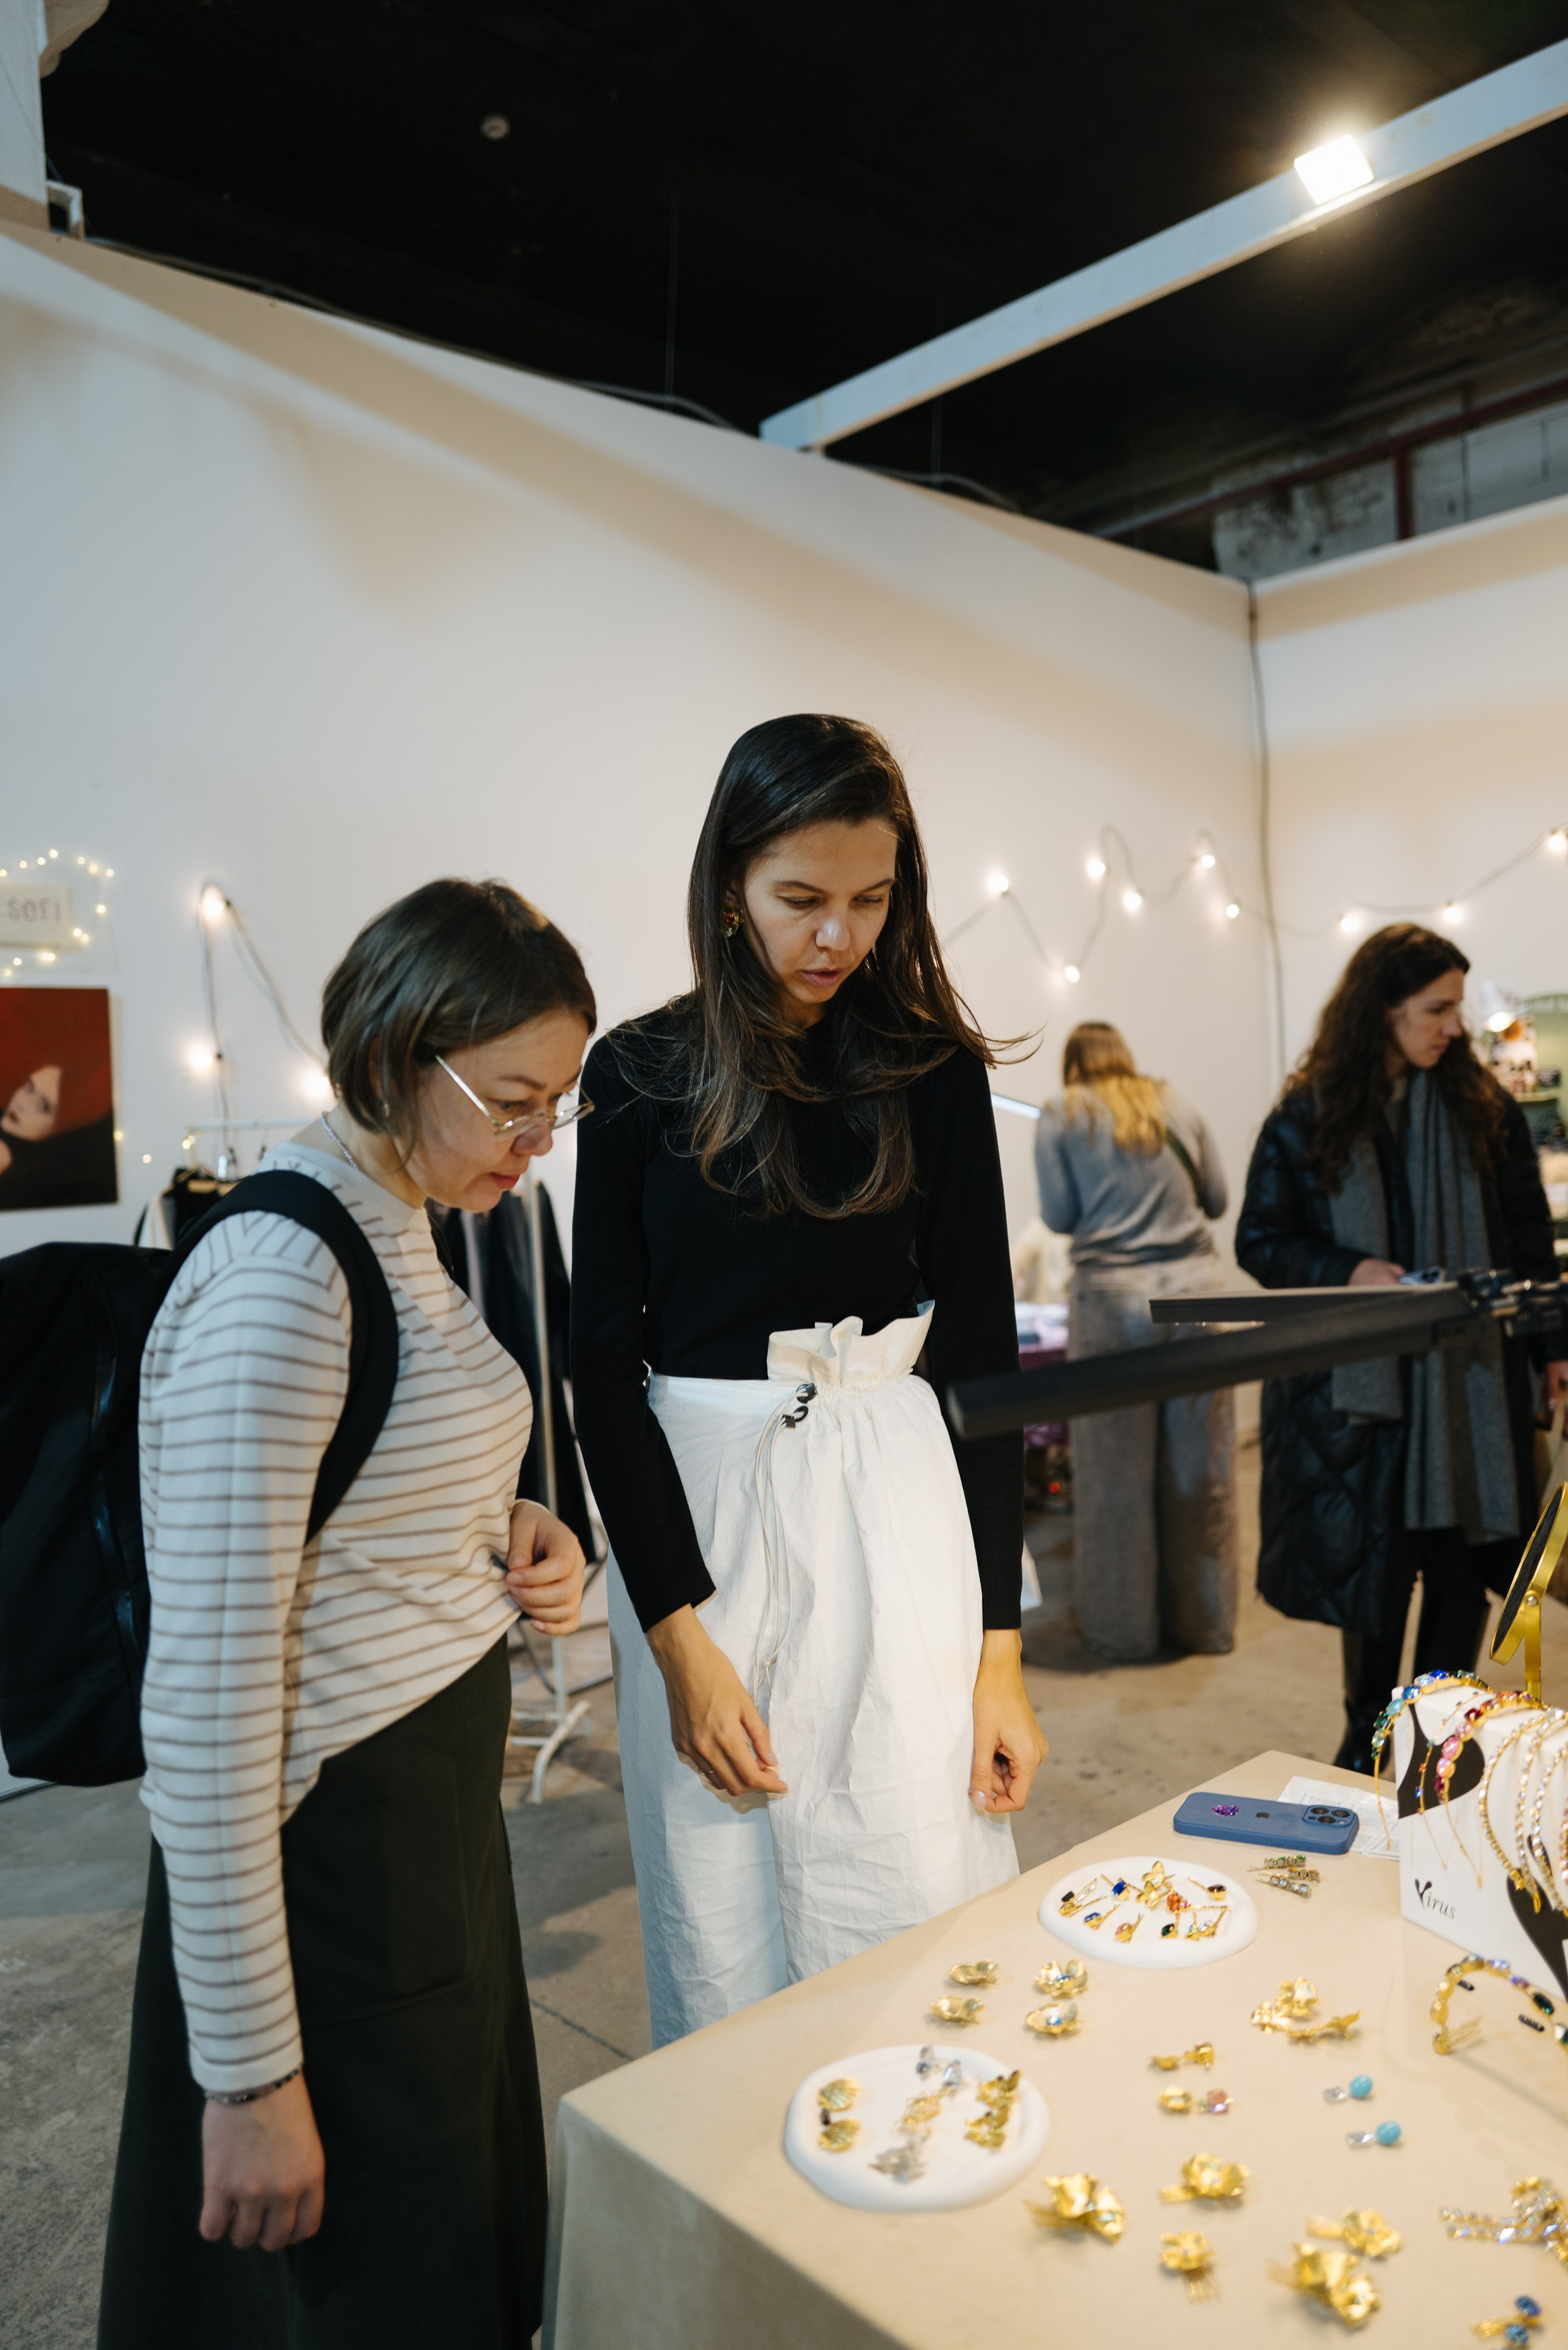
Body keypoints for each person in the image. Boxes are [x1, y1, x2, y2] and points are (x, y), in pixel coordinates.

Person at [98, 879, 593, 2350]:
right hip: (335, 1881)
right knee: (366, 2281)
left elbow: (366, 1487)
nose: (537, 1141)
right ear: (394, 1058)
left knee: (446, 2245)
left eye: (554, 1102)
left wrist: (500, 1529)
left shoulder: (408, 1223)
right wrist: (248, 2080)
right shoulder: (281, 1279)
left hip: (429, 1854)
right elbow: (201, 1713)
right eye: (511, 1100)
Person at [571, 713, 1046, 2048]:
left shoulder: (930, 1070)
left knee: (909, 1868)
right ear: (729, 884)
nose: (838, 935)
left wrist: (999, 1653)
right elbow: (598, 1365)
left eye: (870, 900)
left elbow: (982, 1360)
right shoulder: (637, 1076)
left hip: (893, 1497)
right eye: (801, 900)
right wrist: (674, 1633)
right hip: (705, 1508)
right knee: (721, 1909)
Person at [1235, 924, 1566, 1771]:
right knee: (1374, 1586)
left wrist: (1554, 1343)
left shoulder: (1480, 1109)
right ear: (1381, 1008)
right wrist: (1349, 1269)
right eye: (1436, 1008)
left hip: (1467, 1393)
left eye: (1454, 1007)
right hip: (1361, 1404)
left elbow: (1529, 1240)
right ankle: (1364, 1748)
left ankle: (1436, 1744)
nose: (1452, 1026)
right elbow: (1261, 1240)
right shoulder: (1310, 1113)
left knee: (1456, 1575)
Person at [1034, 1021, 1236, 1661]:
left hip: (1114, 1303)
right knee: (1202, 1472)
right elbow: (1217, 1198)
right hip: (1201, 1297)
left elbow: (1060, 1216)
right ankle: (1207, 1627)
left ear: (1073, 1066)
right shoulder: (1175, 1102)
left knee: (1113, 1479)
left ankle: (1123, 1635)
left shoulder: (1062, 1111)